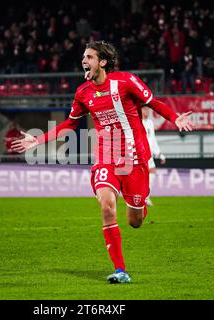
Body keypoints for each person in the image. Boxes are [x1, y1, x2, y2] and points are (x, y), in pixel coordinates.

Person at [11, 41, 194, 284]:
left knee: (135, 221)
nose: (84, 61)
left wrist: (174, 117)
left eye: (89, 57)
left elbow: (153, 103)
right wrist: (39, 139)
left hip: (135, 160)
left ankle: (140, 204)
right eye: (83, 57)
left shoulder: (126, 81)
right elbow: (69, 124)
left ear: (103, 62)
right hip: (106, 158)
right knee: (107, 205)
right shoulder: (83, 92)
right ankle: (120, 270)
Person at [141, 106, 166, 206]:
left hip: (149, 154)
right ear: (140, 110)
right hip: (140, 153)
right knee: (140, 176)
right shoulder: (138, 122)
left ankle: (146, 197)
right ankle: (141, 197)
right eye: (145, 109)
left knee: (151, 171)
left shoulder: (150, 123)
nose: (147, 111)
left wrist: (159, 153)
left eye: (148, 109)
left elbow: (153, 139)